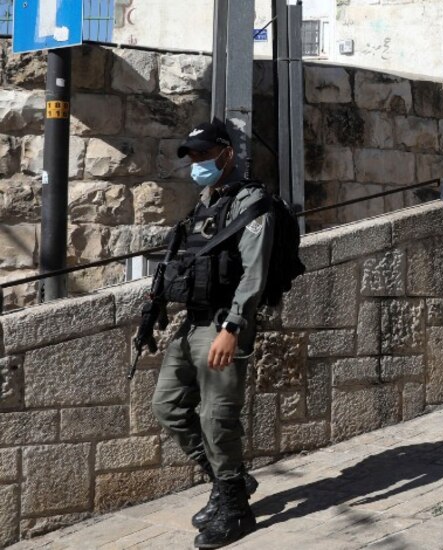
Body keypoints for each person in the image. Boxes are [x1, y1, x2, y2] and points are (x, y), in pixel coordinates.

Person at [151, 119, 272, 548]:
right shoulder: (205, 204)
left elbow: (253, 274)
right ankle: (230, 482)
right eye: (193, 156)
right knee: (167, 406)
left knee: (217, 418)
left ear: (227, 153)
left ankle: (236, 510)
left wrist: (233, 328)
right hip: (191, 324)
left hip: (224, 324)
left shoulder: (250, 202)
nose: (197, 163)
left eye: (204, 154)